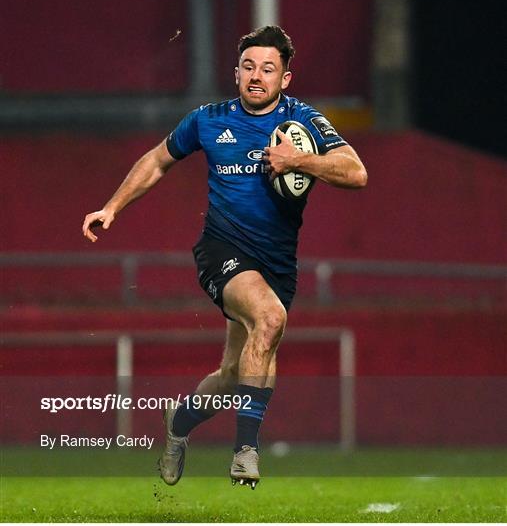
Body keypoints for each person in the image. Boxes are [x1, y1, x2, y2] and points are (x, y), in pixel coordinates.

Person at [82, 26, 367, 489]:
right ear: (236, 73)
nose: (257, 76)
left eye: (268, 69)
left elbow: (356, 172)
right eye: (249, 67)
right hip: (222, 250)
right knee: (270, 319)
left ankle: (179, 423)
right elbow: (157, 160)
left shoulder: (305, 121)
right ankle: (245, 450)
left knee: (235, 374)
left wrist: (299, 161)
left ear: (285, 79)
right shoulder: (208, 120)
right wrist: (111, 207)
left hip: (277, 262)